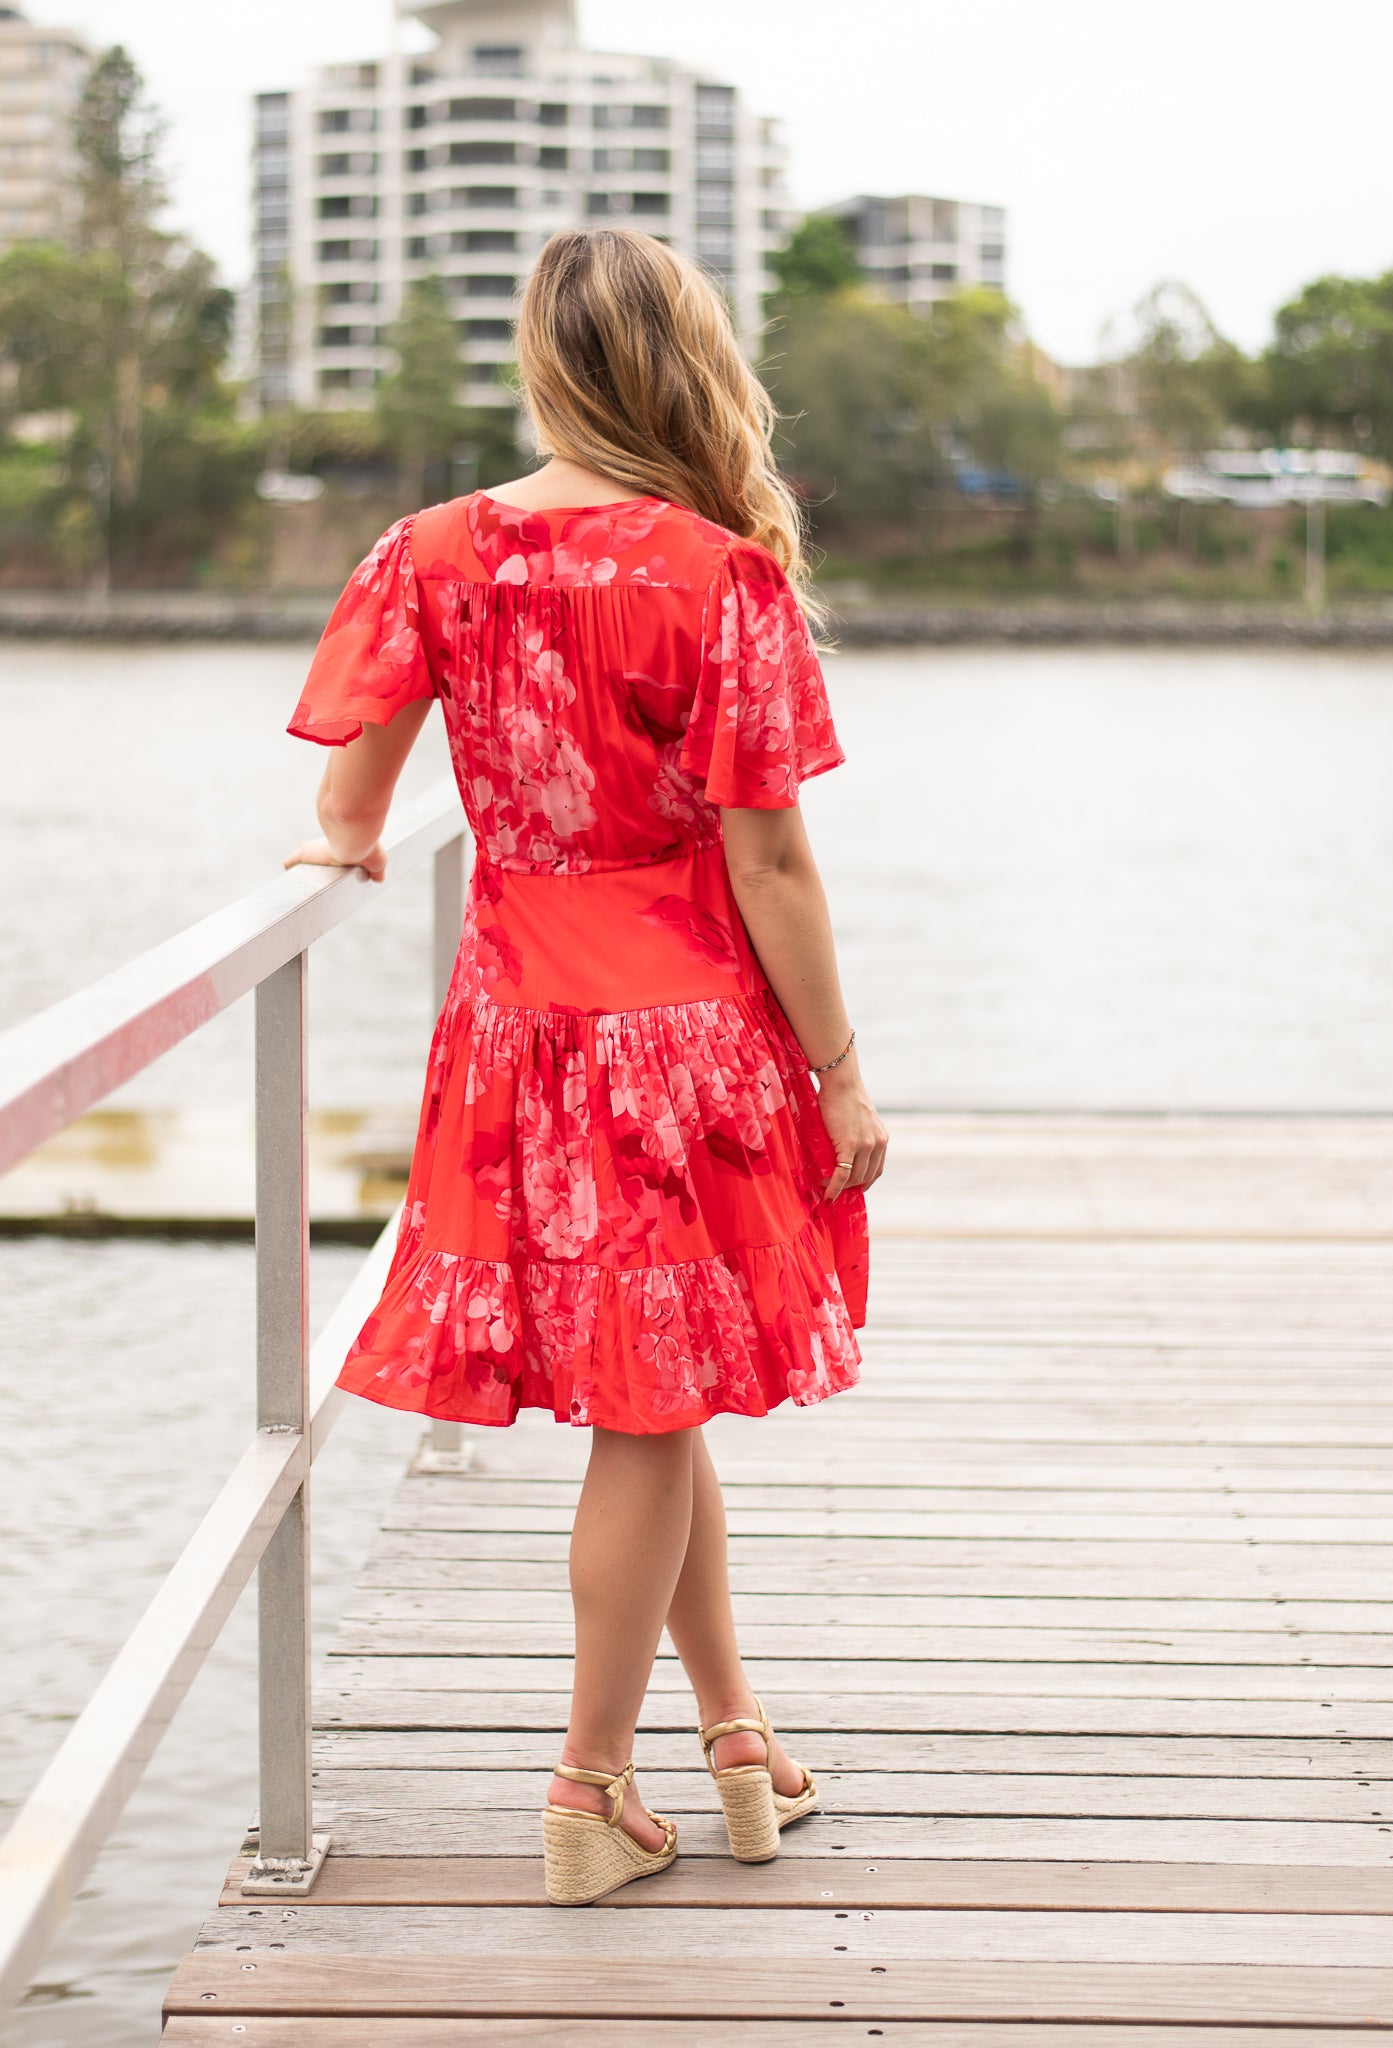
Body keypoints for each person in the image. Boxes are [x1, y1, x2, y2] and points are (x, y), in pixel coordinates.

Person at [283, 226, 888, 1906]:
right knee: (651, 1395)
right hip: (684, 1030)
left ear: (545, 369)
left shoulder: (431, 551)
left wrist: (345, 848)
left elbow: (347, 802)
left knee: (651, 1388)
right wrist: (837, 1071)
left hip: (520, 1028)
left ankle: (734, 1736)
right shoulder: (717, 576)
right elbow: (768, 864)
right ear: (689, 365)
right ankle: (585, 1789)